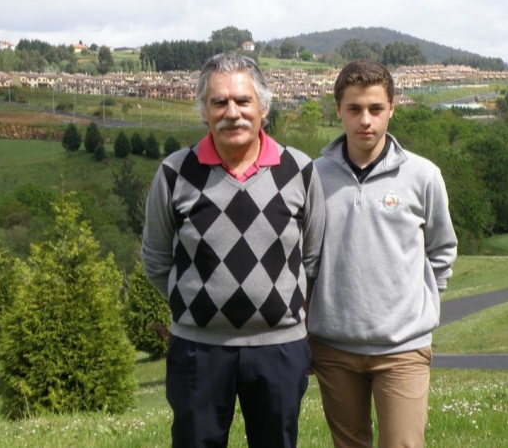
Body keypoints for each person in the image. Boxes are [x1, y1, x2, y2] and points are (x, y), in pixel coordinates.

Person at [140, 52, 325, 448]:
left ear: (264, 108)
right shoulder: (175, 173)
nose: (232, 113)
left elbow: (310, 259)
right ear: (203, 112)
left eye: (243, 101)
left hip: (279, 350)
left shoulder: (300, 171)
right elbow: (156, 260)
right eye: (218, 102)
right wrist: (198, 307)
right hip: (197, 353)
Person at [307, 60, 458, 448]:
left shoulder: (423, 176)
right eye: (354, 109)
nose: (365, 121)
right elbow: (304, 260)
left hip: (403, 349)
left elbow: (442, 249)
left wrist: (420, 304)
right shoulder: (311, 178)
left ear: (392, 107)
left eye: (375, 109)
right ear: (338, 108)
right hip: (334, 348)